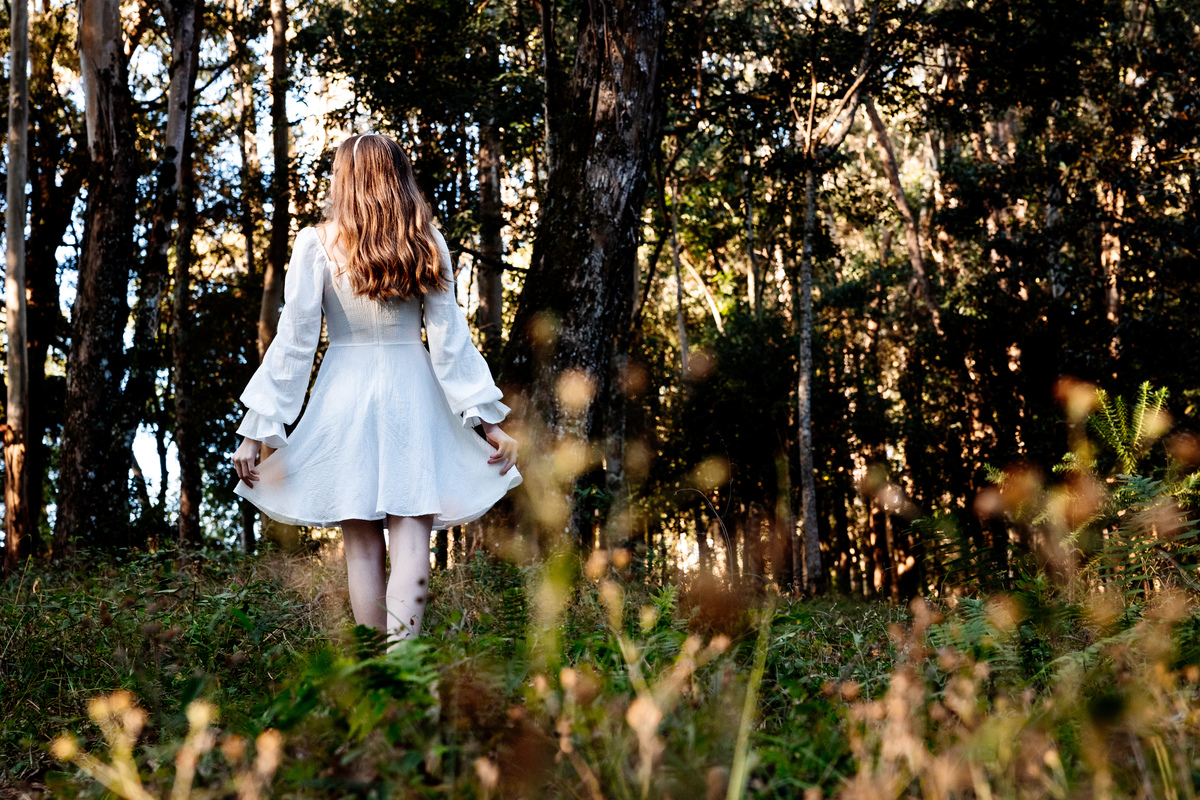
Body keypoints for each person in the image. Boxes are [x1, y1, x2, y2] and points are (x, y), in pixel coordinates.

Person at [231, 132, 521, 642]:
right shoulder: (426, 240)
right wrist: (489, 423)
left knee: (363, 546)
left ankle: (372, 676)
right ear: (399, 177)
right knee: (412, 538)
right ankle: (403, 667)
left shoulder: (316, 244)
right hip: (414, 394)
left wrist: (255, 430)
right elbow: (450, 339)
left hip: (344, 397)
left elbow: (295, 343)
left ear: (343, 178)